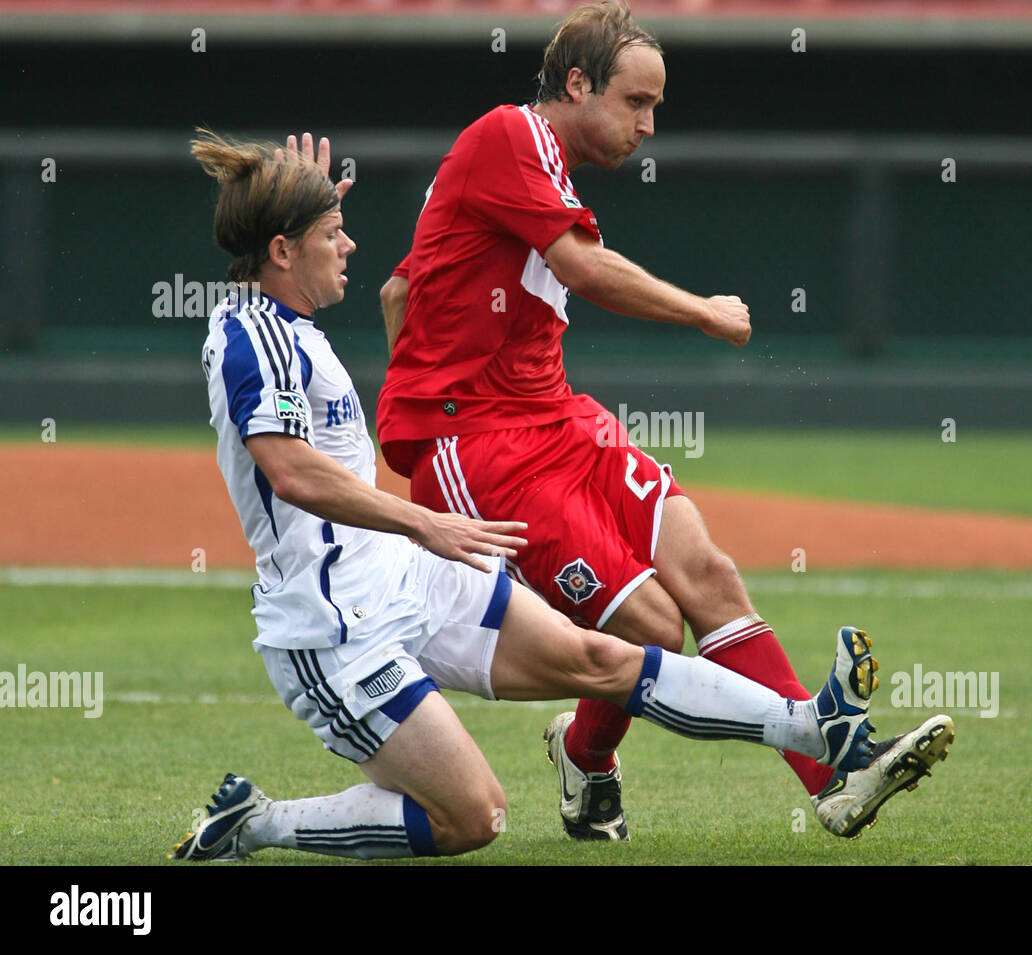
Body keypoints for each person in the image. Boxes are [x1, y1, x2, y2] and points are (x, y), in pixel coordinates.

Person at [173, 127, 922, 862]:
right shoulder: (255, 337)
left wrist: (300, 207)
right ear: (279, 252)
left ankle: (811, 727)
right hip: (332, 629)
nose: (350, 244)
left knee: (603, 655)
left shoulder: (284, 321)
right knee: (474, 816)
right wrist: (425, 522)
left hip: (399, 577)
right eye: (332, 233)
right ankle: (256, 824)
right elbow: (293, 472)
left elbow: (381, 288)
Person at [376, 0, 954, 841]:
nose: (649, 124)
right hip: (485, 442)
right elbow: (580, 266)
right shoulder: (510, 136)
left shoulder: (536, 165)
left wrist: (419, 371)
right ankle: (591, 757)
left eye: (655, 106)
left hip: (560, 417)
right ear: (577, 84)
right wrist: (704, 313)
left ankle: (836, 774)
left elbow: (399, 291)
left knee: (708, 571)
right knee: (651, 625)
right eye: (636, 102)